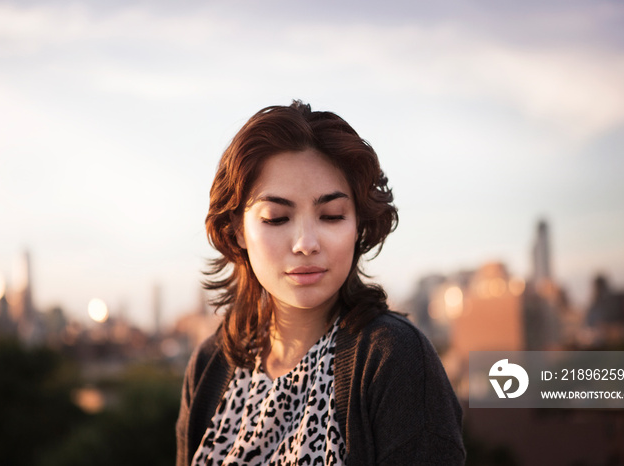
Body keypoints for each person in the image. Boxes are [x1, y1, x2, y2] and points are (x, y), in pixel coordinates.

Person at [176, 101, 465, 466]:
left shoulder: (394, 358)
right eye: (277, 218)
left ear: (358, 225)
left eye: (331, 216)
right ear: (237, 230)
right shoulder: (212, 363)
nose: (306, 243)